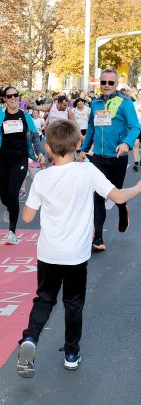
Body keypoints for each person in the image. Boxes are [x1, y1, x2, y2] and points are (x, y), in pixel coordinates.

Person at [16, 119, 141, 377]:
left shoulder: (42, 177)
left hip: (48, 253)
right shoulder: (88, 171)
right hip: (76, 255)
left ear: (48, 147)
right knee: (73, 303)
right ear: (78, 143)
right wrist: (139, 187)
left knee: (44, 299)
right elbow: (117, 196)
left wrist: (35, 187)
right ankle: (71, 354)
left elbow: (27, 218)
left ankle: (30, 339)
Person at [78, 68, 141, 251]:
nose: (106, 86)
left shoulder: (124, 103)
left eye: (110, 83)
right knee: (98, 196)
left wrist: (127, 144)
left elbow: (136, 127)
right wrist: (83, 149)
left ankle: (123, 210)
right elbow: (91, 128)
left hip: (118, 157)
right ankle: (98, 238)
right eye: (103, 82)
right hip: (98, 157)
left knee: (116, 193)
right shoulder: (96, 103)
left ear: (116, 85)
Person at [0, 85, 47, 245]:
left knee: (14, 194)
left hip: (20, 159)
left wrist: (40, 153)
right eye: (9, 96)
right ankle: (10, 208)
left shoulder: (25, 116)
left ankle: (12, 231)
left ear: (19, 97)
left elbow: (35, 137)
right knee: (5, 197)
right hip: (1, 158)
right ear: (5, 99)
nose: (13, 98)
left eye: (16, 95)